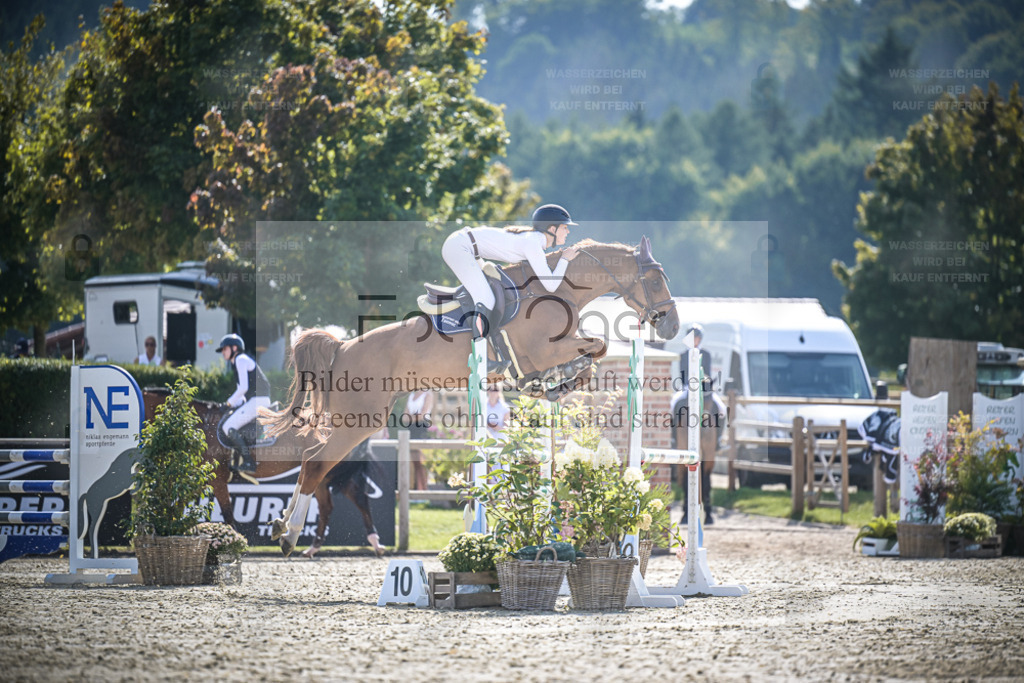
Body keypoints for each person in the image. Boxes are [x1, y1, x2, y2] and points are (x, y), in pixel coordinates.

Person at [441, 203, 581, 373]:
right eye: (565, 227)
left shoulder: (534, 241)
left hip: (468, 248)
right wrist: (565, 259)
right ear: (552, 228)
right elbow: (551, 285)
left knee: (489, 294)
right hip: (460, 247)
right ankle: (481, 358)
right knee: (486, 298)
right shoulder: (532, 243)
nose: (567, 231)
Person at [672, 323, 718, 525]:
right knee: (674, 404)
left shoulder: (705, 354)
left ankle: (720, 437)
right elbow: (682, 376)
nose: (696, 340)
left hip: (704, 388)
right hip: (687, 388)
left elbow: (707, 372)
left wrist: (704, 382)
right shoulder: (683, 355)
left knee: (720, 407)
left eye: (698, 337)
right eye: (693, 337)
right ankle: (675, 436)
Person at [217, 333, 270, 474]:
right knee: (233, 422)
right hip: (256, 400)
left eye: (224, 349)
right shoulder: (238, 362)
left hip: (258, 401)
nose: (223, 352)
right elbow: (242, 394)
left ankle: (248, 462)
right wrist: (232, 405)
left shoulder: (240, 359)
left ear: (235, 348)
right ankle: (240, 460)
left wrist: (228, 404)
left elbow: (243, 388)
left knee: (228, 426)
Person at [403, 388, 433, 492]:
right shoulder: (411, 395)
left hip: (422, 430)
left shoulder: (427, 395)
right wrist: (414, 417)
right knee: (415, 462)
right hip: (411, 430)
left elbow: (422, 415)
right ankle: (418, 489)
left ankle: (424, 489)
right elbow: (404, 417)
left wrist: (411, 417)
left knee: (422, 462)